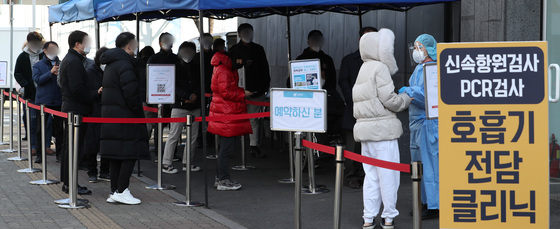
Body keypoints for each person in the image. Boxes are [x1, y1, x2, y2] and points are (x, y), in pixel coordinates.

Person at [353, 29, 411, 229]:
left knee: (371, 178)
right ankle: (388, 217)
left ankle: (368, 218)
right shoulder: (380, 68)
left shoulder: (364, 68)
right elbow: (390, 100)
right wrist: (407, 98)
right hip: (383, 132)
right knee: (389, 177)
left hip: (366, 132)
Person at [100, 32, 149, 205]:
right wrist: (137, 111)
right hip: (125, 117)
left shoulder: (111, 64)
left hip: (112, 116)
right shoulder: (125, 64)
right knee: (129, 153)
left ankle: (115, 190)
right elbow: (131, 93)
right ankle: (121, 190)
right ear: (129, 45)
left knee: (115, 155)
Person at [400, 34, 440, 220]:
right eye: (415, 47)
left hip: (428, 124)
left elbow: (428, 97)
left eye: (419, 47)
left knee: (431, 166)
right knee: (420, 167)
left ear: (428, 49)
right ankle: (425, 202)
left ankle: (434, 205)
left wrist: (408, 91)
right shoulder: (419, 68)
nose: (416, 51)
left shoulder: (433, 69)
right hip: (418, 124)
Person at [59, 30, 98, 195]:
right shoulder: (73, 61)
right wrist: (95, 94)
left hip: (72, 109)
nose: (88, 45)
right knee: (73, 149)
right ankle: (70, 184)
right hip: (76, 110)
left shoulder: (70, 60)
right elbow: (77, 89)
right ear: (77, 44)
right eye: (86, 42)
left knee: (71, 148)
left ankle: (69, 183)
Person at [338, 27, 378, 189]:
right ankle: (351, 176)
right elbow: (343, 82)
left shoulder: (380, 61)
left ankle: (366, 175)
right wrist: (353, 99)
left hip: (374, 110)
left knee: (369, 145)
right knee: (353, 145)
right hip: (353, 109)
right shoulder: (349, 60)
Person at [208, 50, 252, 191]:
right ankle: (223, 179)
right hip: (226, 113)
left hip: (223, 112)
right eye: (240, 60)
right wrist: (242, 93)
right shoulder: (224, 70)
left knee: (224, 148)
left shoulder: (223, 67)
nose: (241, 63)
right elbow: (226, 92)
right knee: (226, 149)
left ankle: (220, 177)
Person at [294, 30, 345, 146]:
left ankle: (324, 151)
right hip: (306, 102)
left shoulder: (327, 59)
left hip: (326, 102)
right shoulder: (301, 59)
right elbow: (291, 82)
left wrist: (324, 80)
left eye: (319, 40)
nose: (316, 43)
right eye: (314, 40)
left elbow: (333, 83)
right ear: (308, 42)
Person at [228, 23, 270, 158]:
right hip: (237, 90)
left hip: (256, 90)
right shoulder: (233, 50)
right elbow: (228, 68)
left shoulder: (258, 49)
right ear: (239, 35)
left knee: (254, 119)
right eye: (245, 32)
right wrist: (237, 63)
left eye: (250, 32)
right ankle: (231, 144)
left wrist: (264, 87)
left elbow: (265, 69)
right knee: (235, 119)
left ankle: (253, 145)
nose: (248, 35)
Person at [161, 42, 202, 174]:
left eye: (190, 51)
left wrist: (194, 95)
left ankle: (187, 162)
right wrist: (188, 95)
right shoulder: (175, 68)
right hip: (179, 105)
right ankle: (166, 163)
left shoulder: (197, 67)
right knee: (174, 135)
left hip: (194, 106)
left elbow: (201, 84)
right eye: (185, 51)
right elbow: (173, 86)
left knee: (193, 137)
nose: (187, 54)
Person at [147, 33, 179, 162]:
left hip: (175, 96)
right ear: (160, 43)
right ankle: (158, 152)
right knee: (159, 127)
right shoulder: (153, 59)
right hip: (159, 97)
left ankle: (173, 152)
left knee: (174, 128)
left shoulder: (176, 58)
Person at [32, 41, 62, 164]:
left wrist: (58, 72)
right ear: (45, 51)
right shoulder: (38, 65)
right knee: (41, 129)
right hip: (43, 101)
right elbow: (37, 80)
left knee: (60, 129)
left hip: (58, 100)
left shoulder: (62, 63)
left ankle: (60, 154)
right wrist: (50, 72)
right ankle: (39, 154)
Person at [84, 47, 111, 183]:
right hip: (93, 111)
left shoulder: (112, 71)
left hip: (108, 111)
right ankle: (92, 171)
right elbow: (86, 93)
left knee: (107, 142)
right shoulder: (90, 71)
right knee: (92, 143)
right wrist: (97, 92)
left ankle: (105, 171)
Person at [15, 31, 44, 153]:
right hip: (30, 93)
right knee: (32, 121)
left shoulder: (44, 55)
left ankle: (45, 146)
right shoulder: (23, 56)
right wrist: (26, 84)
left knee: (46, 123)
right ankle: (33, 146)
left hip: (44, 92)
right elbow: (18, 73)